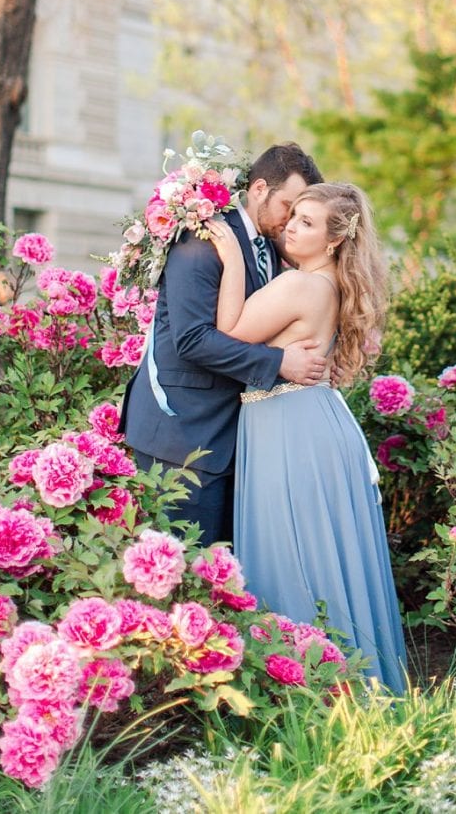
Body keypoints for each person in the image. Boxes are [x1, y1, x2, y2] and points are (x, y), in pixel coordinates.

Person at [210, 182, 409, 693]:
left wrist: (231, 258)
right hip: (303, 421)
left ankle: (319, 696)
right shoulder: (322, 284)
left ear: (334, 241)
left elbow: (227, 334)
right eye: (292, 216)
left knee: (295, 557)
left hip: (289, 429)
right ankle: (350, 690)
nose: (291, 227)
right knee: (318, 555)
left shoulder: (302, 285)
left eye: (306, 223)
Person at [119, 143, 330, 546]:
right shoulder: (202, 239)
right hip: (182, 436)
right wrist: (279, 362)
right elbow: (192, 340)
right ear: (259, 189)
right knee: (186, 571)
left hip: (230, 435)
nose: (290, 221)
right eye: (288, 205)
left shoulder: (267, 244)